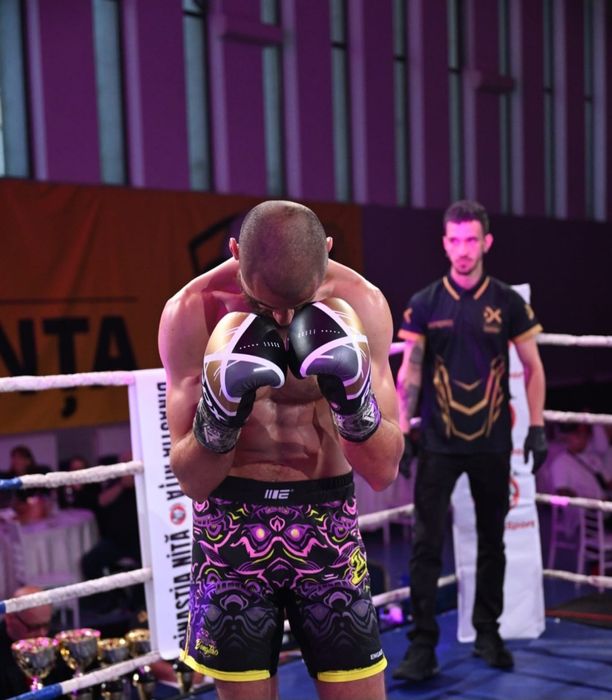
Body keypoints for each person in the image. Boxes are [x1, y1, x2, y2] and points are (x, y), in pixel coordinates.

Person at [158, 200, 403, 700]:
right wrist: (220, 413)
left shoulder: (363, 302)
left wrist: (355, 404)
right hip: (229, 533)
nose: (284, 318)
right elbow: (192, 480)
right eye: (266, 302)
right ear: (234, 253)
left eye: (298, 302)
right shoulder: (191, 311)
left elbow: (383, 470)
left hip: (328, 528)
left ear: (328, 251)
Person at [393, 199, 548, 682]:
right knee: (425, 545)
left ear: (486, 242)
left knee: (492, 542)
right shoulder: (425, 302)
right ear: (445, 243)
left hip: (492, 442)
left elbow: (533, 366)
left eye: (471, 240)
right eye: (455, 240)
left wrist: (537, 427)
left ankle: (488, 632)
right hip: (438, 443)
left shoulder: (507, 301)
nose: (463, 250)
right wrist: (402, 428)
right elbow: (410, 369)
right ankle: (422, 645)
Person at [0, 585, 70, 697]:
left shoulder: (54, 641)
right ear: (10, 618)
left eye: (46, 625)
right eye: (33, 627)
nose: (42, 634)